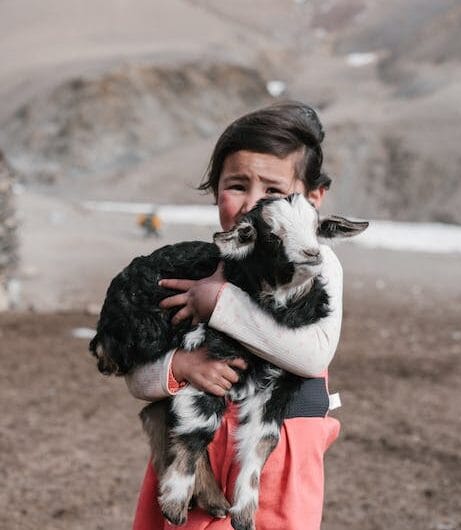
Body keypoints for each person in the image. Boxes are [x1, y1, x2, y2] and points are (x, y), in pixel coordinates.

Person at [126, 102, 343, 530]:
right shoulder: (201, 264)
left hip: (271, 454)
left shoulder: (318, 265)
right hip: (193, 452)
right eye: (237, 186)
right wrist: (180, 366)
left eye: (274, 192)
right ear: (215, 191)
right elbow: (137, 377)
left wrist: (219, 303)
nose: (253, 205)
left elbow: (313, 357)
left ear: (312, 199)